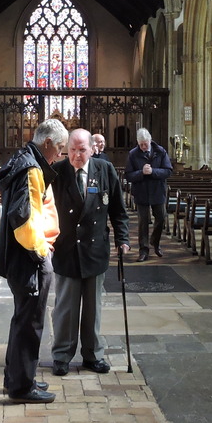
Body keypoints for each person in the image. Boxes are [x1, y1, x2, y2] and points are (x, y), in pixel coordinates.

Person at [0, 118, 65, 403]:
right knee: (30, 323)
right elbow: (23, 217)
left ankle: (16, 377)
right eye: (59, 148)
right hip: (29, 258)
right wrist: (40, 252)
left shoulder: (23, 160)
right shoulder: (31, 168)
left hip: (20, 258)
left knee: (22, 319)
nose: (60, 154)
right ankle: (22, 387)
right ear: (47, 142)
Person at [50, 129, 131, 376]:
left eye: (82, 150)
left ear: (92, 149)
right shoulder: (57, 172)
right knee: (65, 308)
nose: (76, 155)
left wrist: (123, 238)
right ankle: (62, 355)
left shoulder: (104, 170)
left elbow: (118, 209)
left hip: (95, 249)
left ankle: (93, 355)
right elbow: (45, 209)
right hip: (66, 248)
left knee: (93, 308)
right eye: (72, 150)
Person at [125, 128, 173, 262]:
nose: (143, 147)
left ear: (150, 141)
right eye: (140, 145)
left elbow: (168, 171)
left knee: (161, 218)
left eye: (145, 144)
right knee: (143, 223)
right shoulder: (133, 154)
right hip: (141, 192)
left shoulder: (160, 151)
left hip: (157, 191)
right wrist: (141, 172)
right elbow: (128, 175)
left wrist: (153, 171)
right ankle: (143, 250)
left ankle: (155, 242)